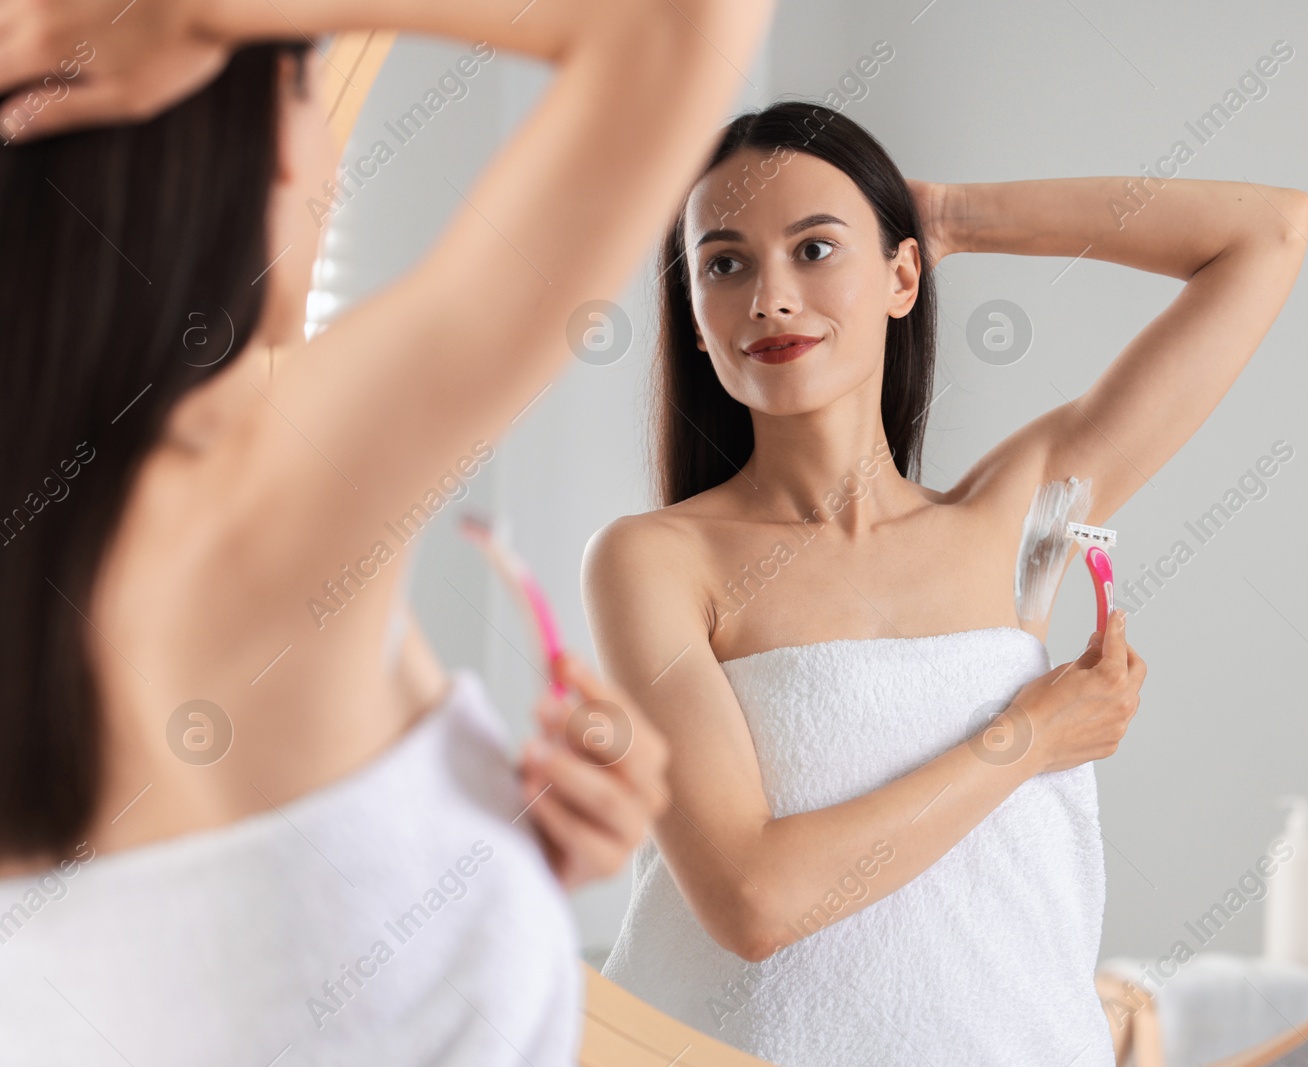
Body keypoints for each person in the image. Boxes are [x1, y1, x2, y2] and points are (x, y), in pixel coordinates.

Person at [0, 0, 774, 1063]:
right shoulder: (266, 493)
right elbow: (683, 21)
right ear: (266, 141)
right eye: (311, 82)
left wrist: (479, 851)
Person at [585, 102, 1308, 1065]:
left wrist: (958, 215)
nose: (769, 295)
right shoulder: (654, 560)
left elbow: (1265, 235)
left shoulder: (1017, 526)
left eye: (814, 249)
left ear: (901, 275)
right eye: (725, 263)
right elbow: (754, 900)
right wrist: (1032, 734)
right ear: (697, 314)